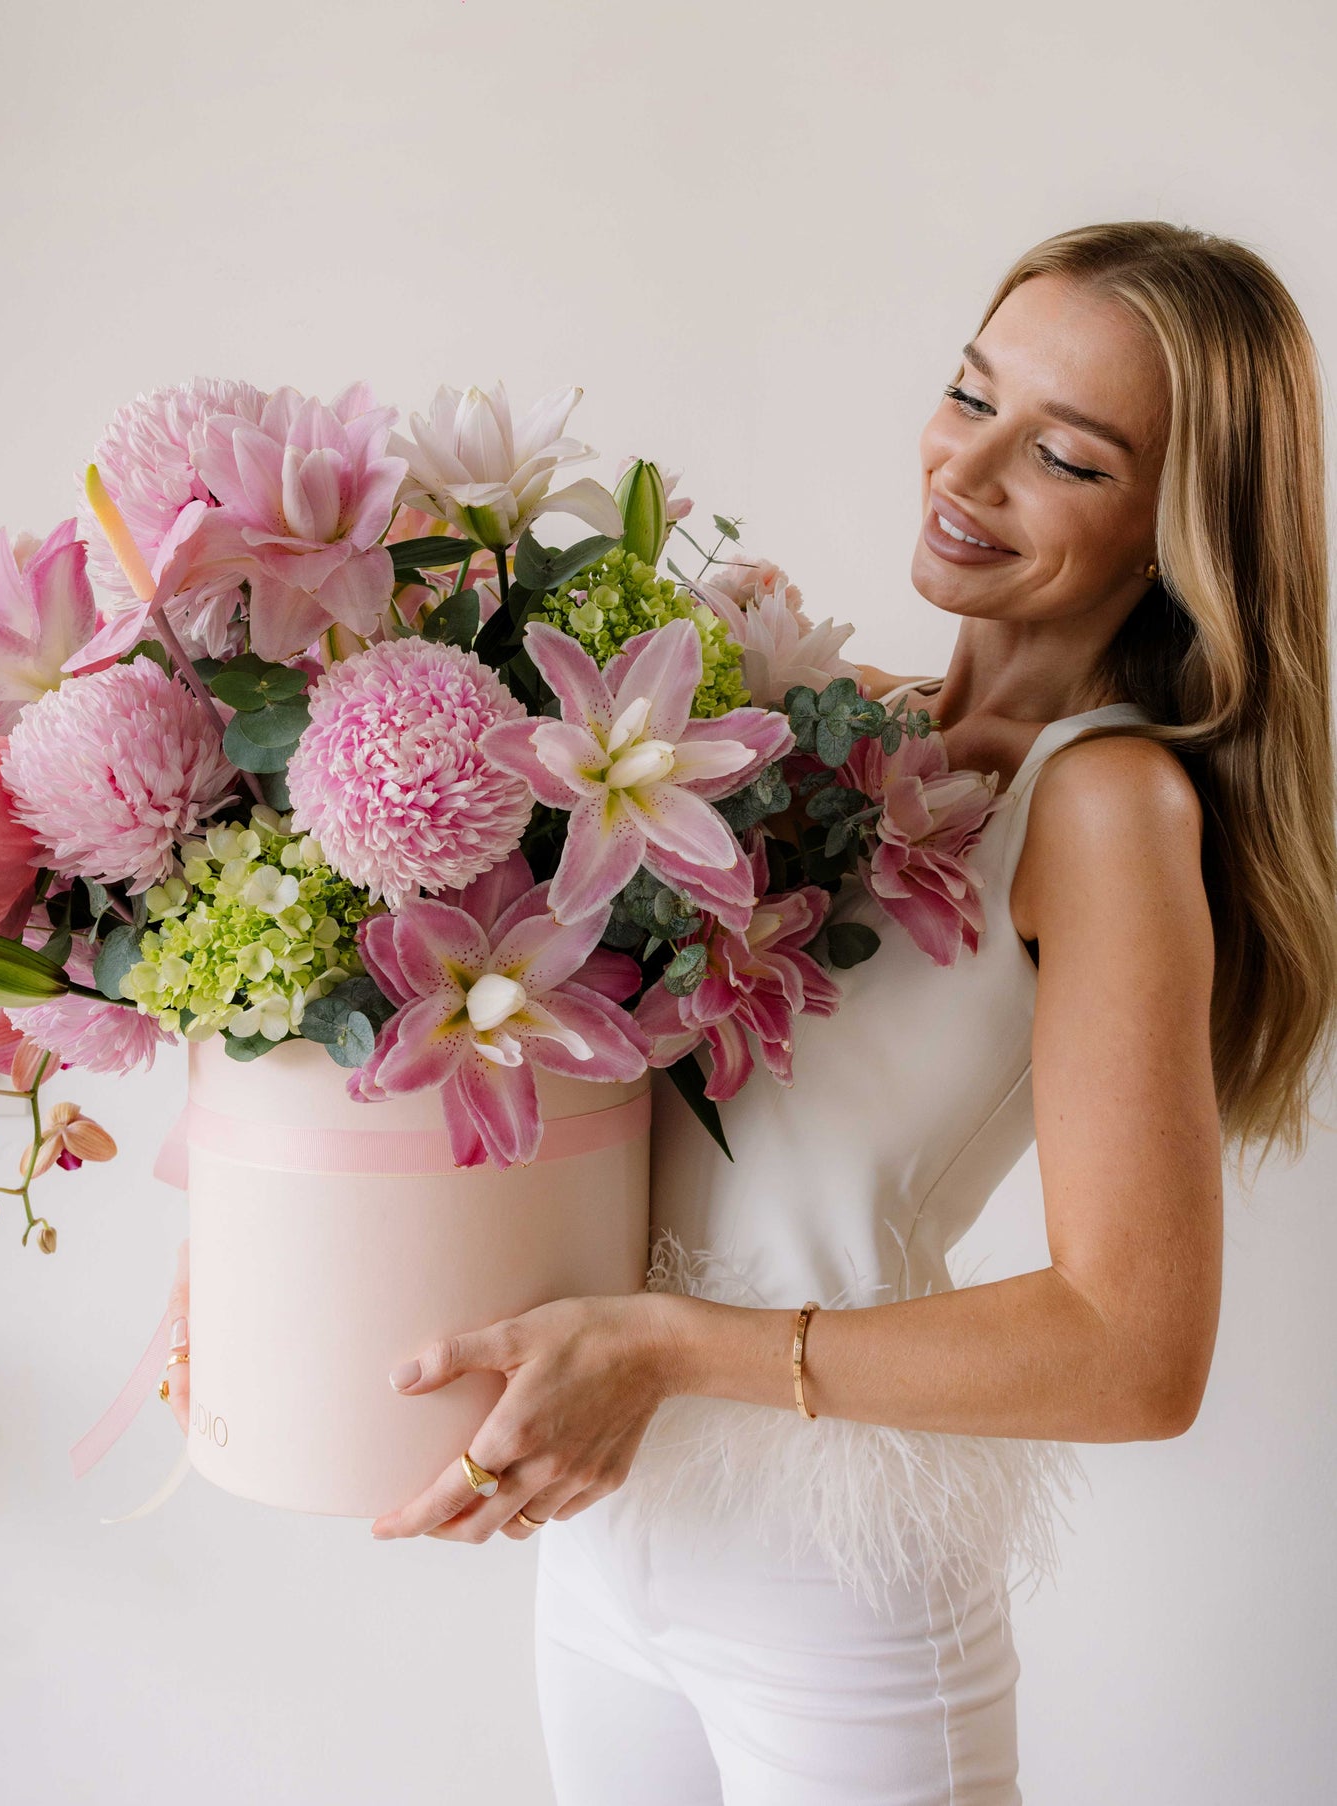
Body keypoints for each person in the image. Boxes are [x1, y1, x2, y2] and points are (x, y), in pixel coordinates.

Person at [165, 221, 1337, 1803]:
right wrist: (285, 1263)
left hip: (831, 1590)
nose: (965, 467)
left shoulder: (1106, 804)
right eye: (965, 392)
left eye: (1061, 455)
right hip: (619, 1527)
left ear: (1172, 525)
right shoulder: (848, 731)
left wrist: (658, 1343)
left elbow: (1135, 1349)